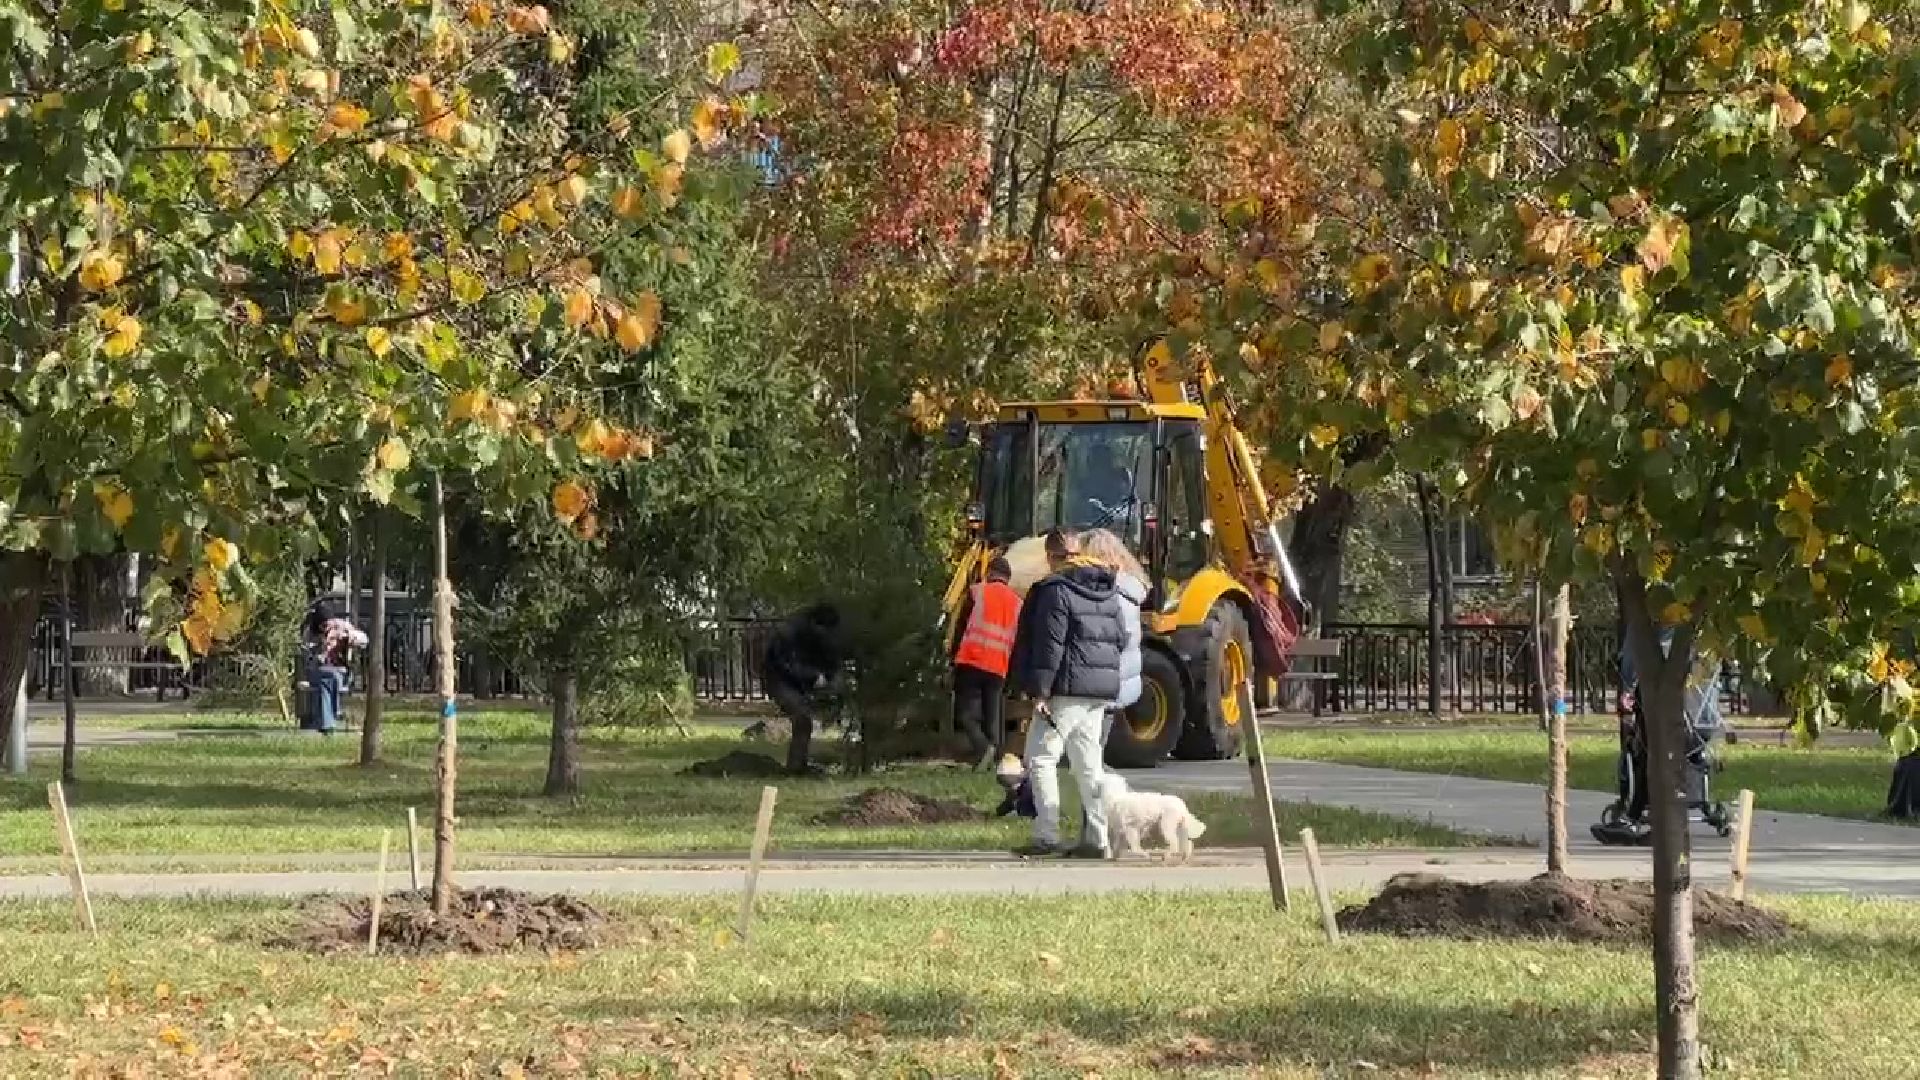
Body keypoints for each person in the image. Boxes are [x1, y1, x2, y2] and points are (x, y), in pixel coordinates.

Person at [1009, 528, 1125, 858]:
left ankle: (1046, 834)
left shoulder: (1055, 590)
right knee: (1088, 765)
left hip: (1064, 689)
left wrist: (1039, 691)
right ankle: (1099, 838)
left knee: (1041, 758)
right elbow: (1121, 638)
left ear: (1051, 555)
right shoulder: (1107, 587)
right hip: (1099, 691)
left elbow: (1050, 644)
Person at [950, 556, 1021, 767]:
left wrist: (952, 658)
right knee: (993, 717)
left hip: (971, 661)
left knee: (965, 714)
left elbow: (960, 629)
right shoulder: (1018, 603)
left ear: (989, 572)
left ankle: (982, 750)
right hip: (999, 666)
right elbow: (1018, 641)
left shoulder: (976, 592)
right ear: (1008, 578)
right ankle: (998, 762)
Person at [761, 603, 844, 775]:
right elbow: (784, 665)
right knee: (802, 719)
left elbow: (833, 662)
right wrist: (813, 676)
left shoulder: (824, 636)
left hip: (804, 681)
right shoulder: (788, 634)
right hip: (779, 680)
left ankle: (800, 764)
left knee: (805, 720)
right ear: (814, 623)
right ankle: (795, 768)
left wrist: (832, 679)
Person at [300, 600, 367, 735]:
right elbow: (305, 653)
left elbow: (364, 640)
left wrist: (349, 637)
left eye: (327, 624)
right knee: (329, 678)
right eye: (322, 625)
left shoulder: (341, 626)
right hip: (317, 671)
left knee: (329, 680)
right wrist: (317, 652)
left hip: (339, 670)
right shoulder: (310, 633)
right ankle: (333, 714)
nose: (325, 628)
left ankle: (327, 724)